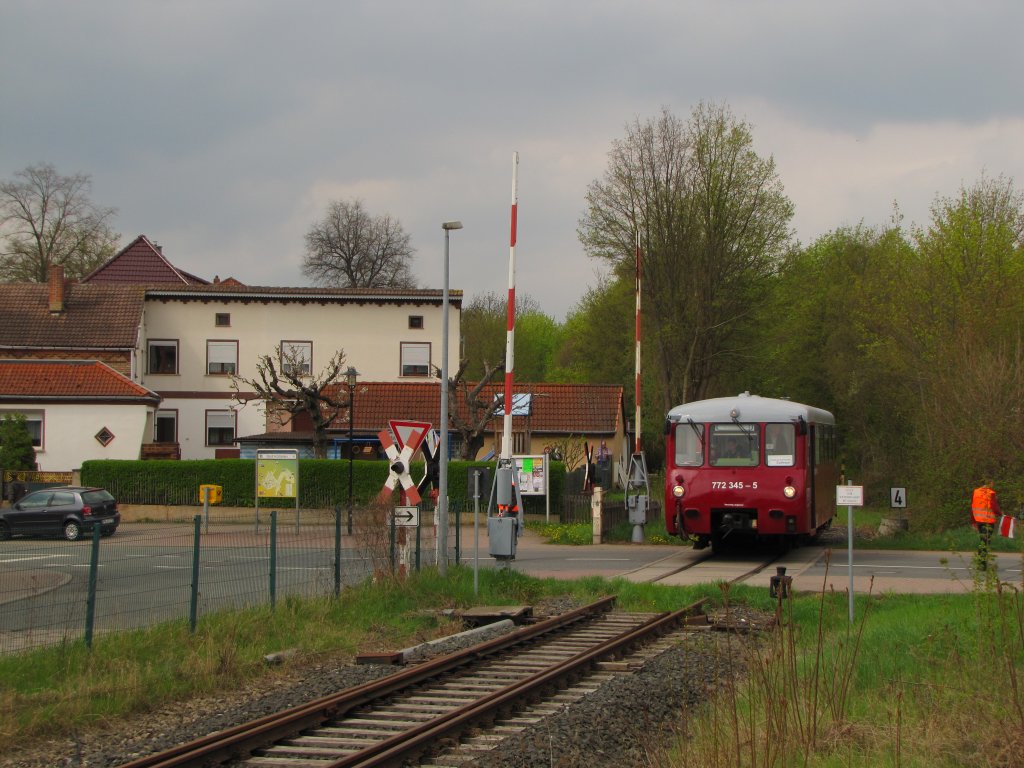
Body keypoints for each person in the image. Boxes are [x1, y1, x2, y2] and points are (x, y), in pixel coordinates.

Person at [971, 481, 1001, 566]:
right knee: (985, 542)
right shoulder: (991, 493)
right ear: (990, 483)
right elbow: (994, 507)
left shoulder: (976, 492)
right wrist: (1000, 514)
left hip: (979, 521)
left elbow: (972, 507)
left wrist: (973, 522)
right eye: (992, 483)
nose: (993, 485)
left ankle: (980, 562)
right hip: (988, 522)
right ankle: (982, 564)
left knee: (982, 541)